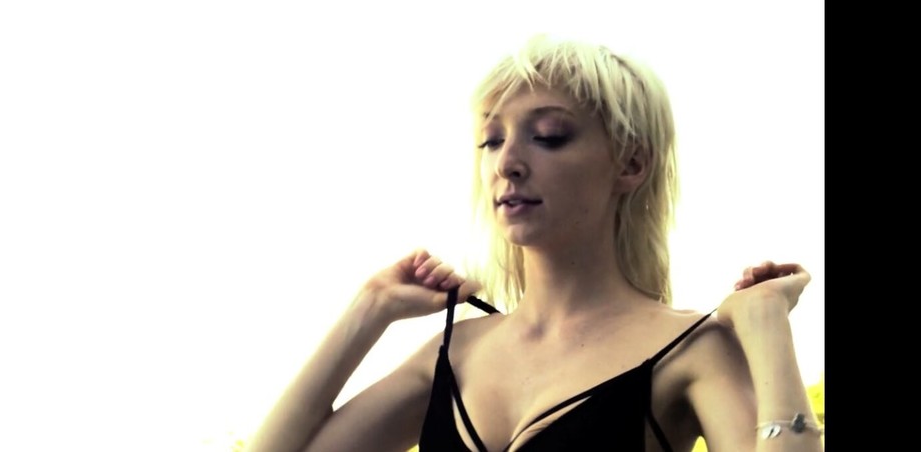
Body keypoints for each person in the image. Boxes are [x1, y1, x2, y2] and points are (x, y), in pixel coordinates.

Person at [247, 35, 822, 452]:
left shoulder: (691, 347)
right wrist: (370, 308)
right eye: (491, 141)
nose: (507, 163)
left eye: (548, 136)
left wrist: (765, 322)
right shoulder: (454, 352)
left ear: (631, 164)